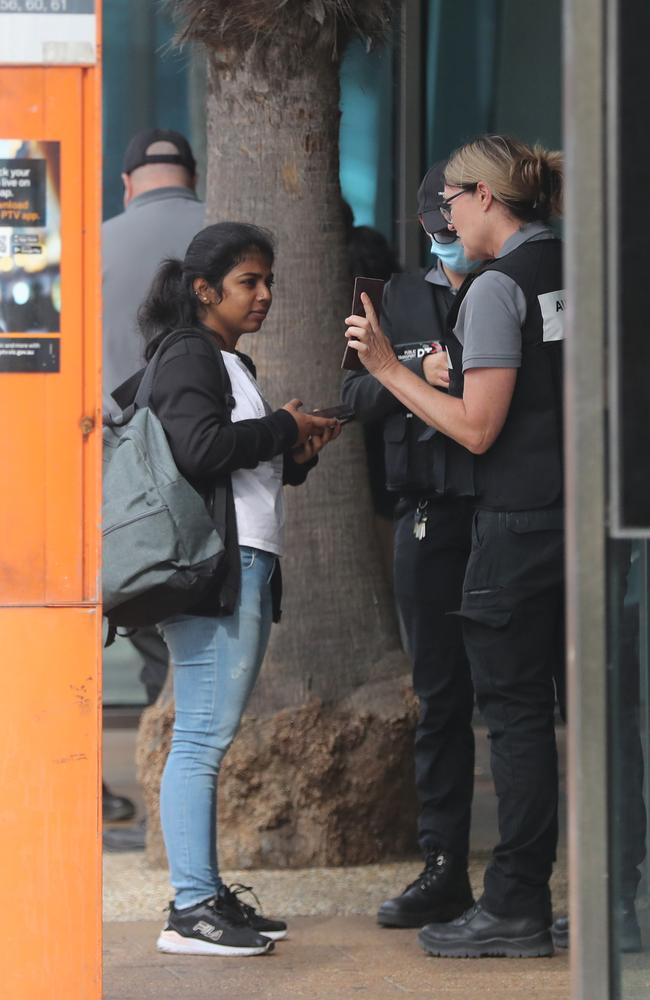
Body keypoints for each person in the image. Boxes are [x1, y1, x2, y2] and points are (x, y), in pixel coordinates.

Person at [345, 135, 565, 958]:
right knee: (590, 715)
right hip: (584, 521)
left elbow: (478, 429)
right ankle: (623, 889)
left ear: (485, 198)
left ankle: (514, 903)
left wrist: (391, 371)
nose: (444, 221)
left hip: (514, 523)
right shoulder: (579, 268)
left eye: (448, 205)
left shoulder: (496, 289)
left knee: (512, 719)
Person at [124, 221, 341, 957]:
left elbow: (233, 464)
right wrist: (282, 426)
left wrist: (295, 449)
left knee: (205, 736)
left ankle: (206, 893)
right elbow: (200, 449)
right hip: (218, 569)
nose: (265, 295)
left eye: (268, 281)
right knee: (201, 741)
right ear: (204, 290)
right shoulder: (191, 354)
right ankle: (190, 910)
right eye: (250, 282)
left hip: (238, 562)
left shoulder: (223, 359)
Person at [342, 161, 482, 929]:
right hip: (428, 513)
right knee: (439, 699)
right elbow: (356, 394)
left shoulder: (516, 284)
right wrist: (408, 371)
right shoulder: (396, 296)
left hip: (504, 508)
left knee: (522, 700)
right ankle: (443, 864)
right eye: (441, 231)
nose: (452, 242)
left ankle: (541, 870)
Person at [102, 128, 205, 835]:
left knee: (135, 610)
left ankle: (139, 785)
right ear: (192, 176)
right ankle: (185, 804)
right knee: (193, 624)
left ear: (128, 181)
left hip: (113, 468)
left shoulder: (91, 242)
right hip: (209, 459)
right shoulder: (224, 238)